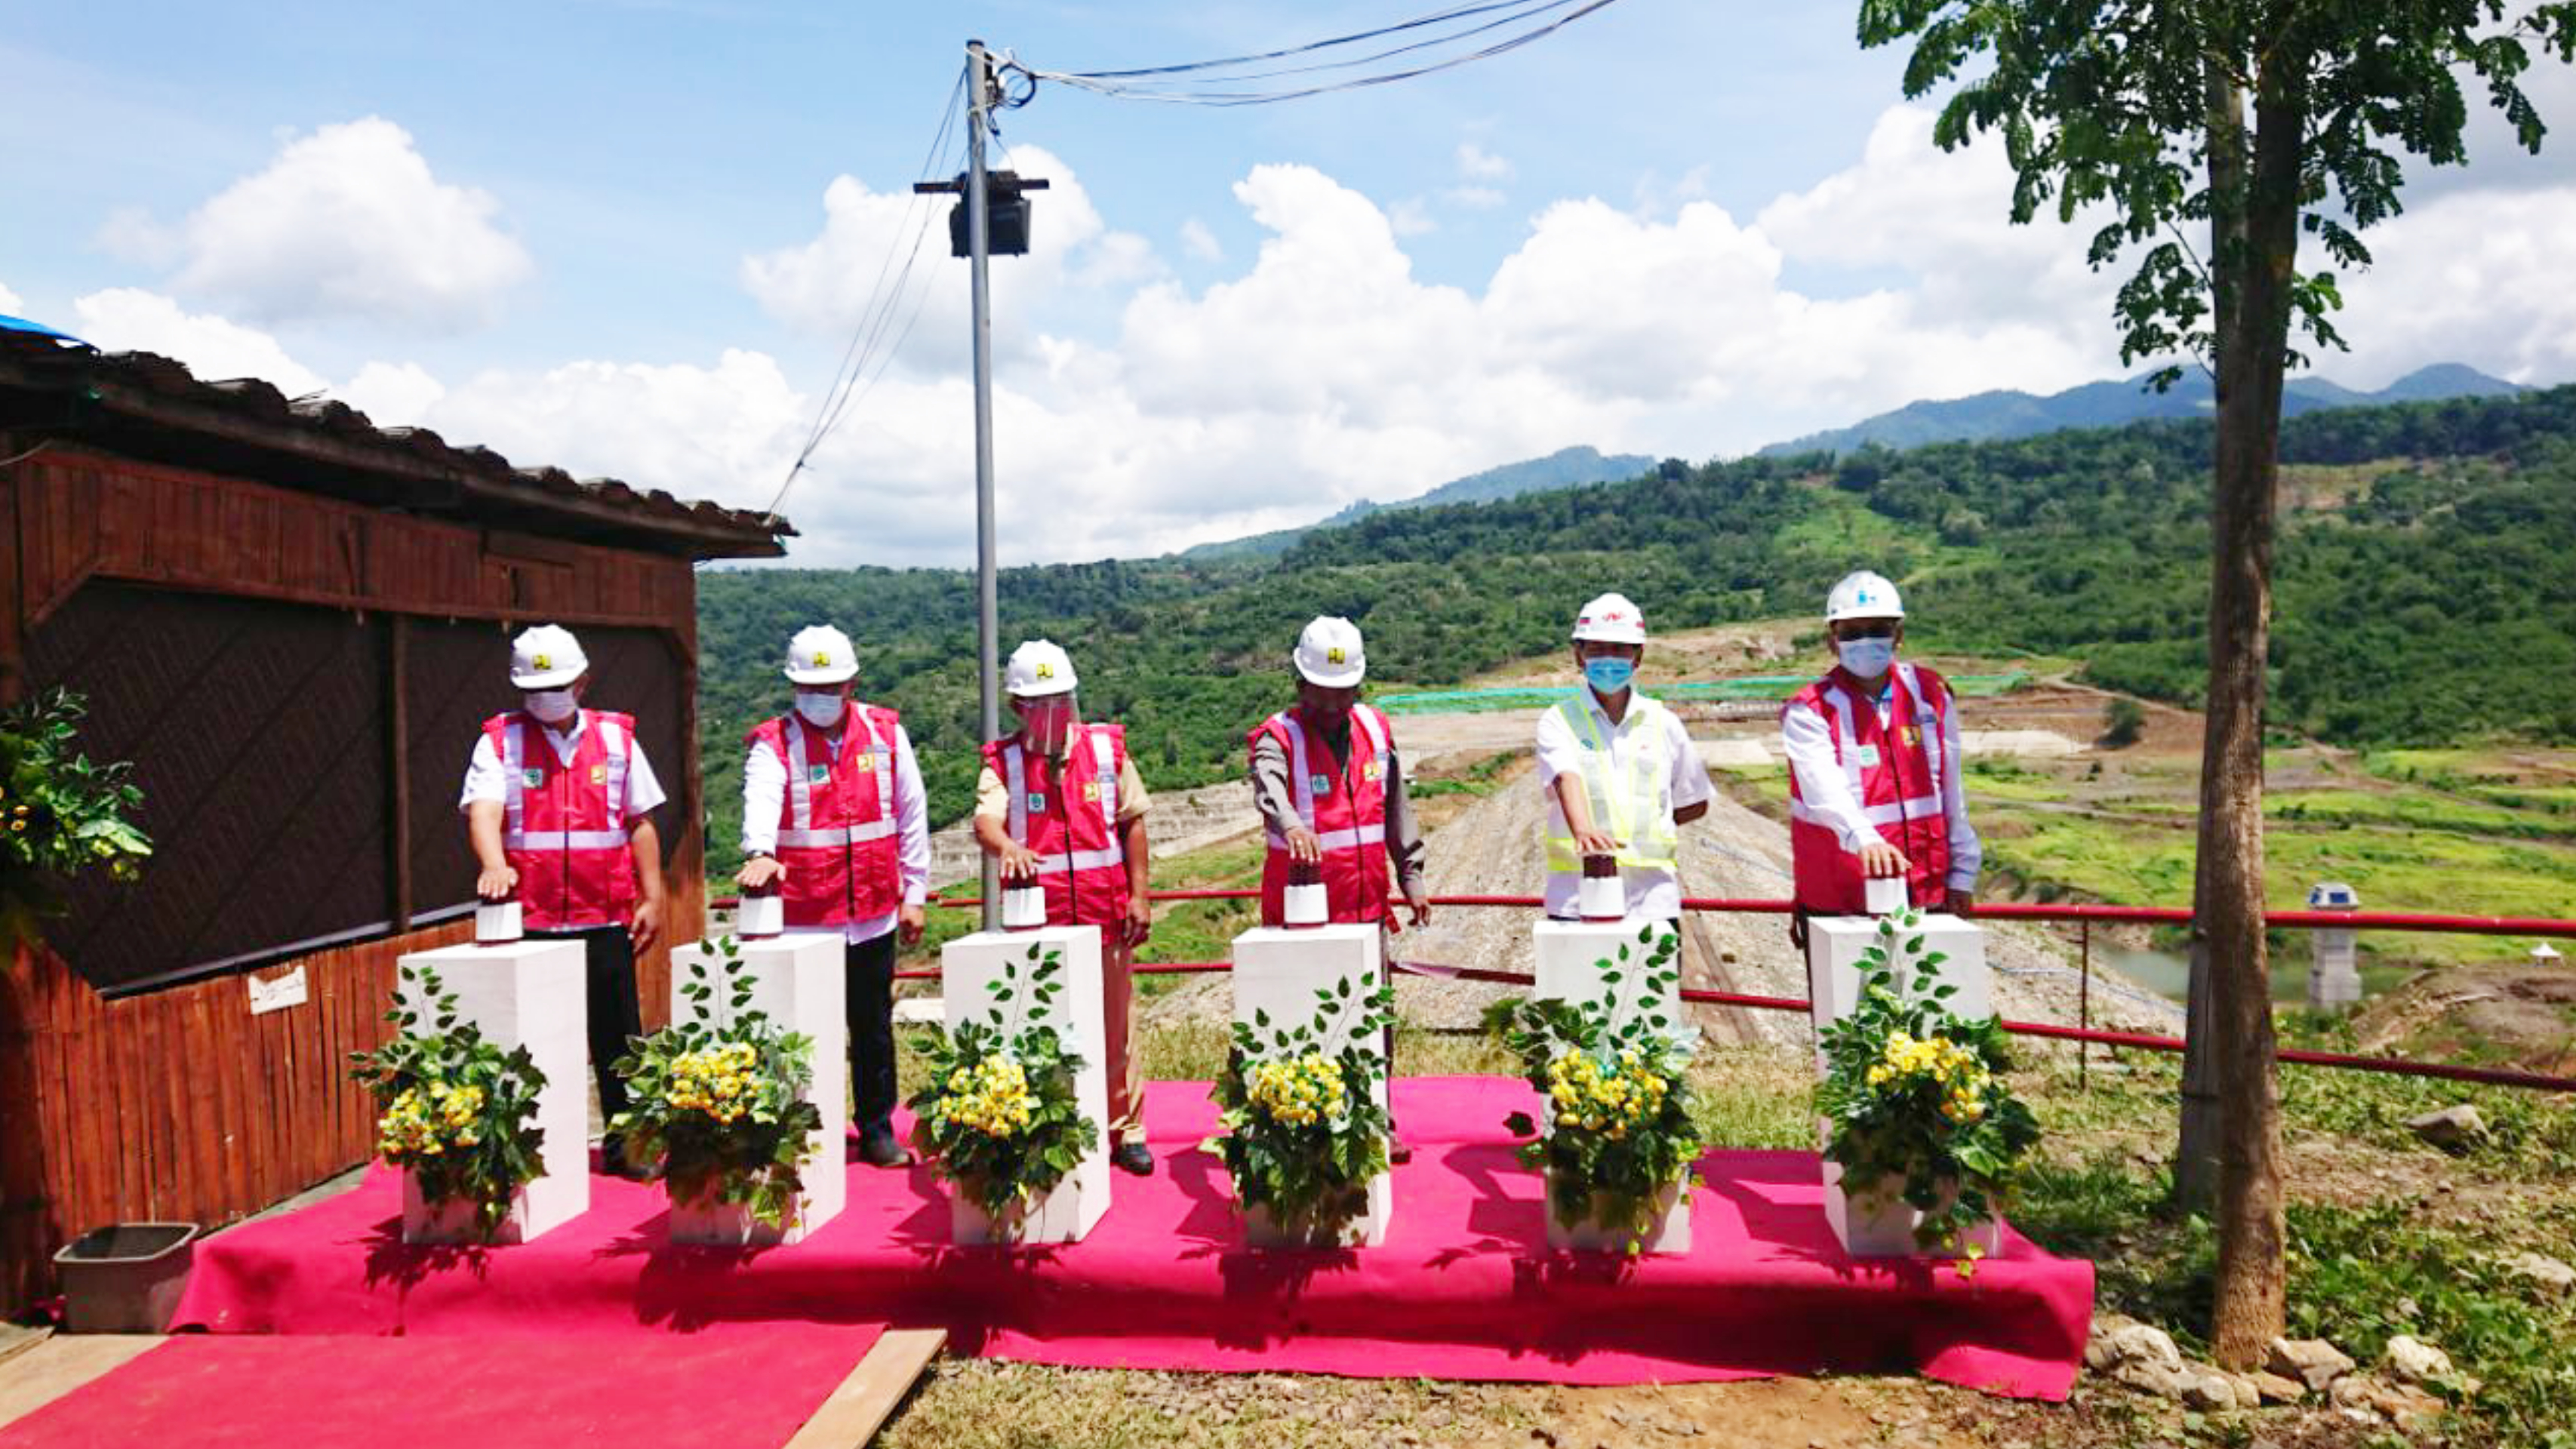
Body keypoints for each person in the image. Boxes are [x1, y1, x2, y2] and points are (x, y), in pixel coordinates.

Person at [460, 623, 668, 1180]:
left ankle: (626, 1146)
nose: (544, 699)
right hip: (533, 919)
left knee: (617, 1038)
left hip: (605, 916)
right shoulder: (500, 740)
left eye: (555, 687)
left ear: (582, 683)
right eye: (533, 690)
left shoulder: (618, 738)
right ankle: (537, 1149)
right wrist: (494, 864)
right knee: (533, 1040)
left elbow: (639, 821)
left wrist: (654, 894)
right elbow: (482, 809)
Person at [735, 624, 929, 1168]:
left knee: (871, 1028)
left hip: (870, 914)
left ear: (853, 683)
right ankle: (801, 1130)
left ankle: (876, 1128)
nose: (820, 699)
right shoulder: (774, 743)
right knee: (800, 1029)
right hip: (804, 916)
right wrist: (759, 850)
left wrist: (913, 892)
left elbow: (911, 814)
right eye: (808, 689)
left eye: (831, 688)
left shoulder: (886, 733)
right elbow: (761, 798)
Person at [1246, 616, 1429, 1161]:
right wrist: (1293, 827)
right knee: (1302, 1014)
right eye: (1322, 693)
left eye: (1344, 692)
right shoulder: (1277, 738)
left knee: (1372, 1017)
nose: (1333, 705)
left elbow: (1396, 808)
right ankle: (1301, 1124)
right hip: (1303, 905)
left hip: (1366, 902)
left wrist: (1411, 875)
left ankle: (1378, 1115)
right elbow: (1268, 790)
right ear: (1300, 684)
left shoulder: (1374, 729)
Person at [973, 640, 1156, 1176]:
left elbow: (1133, 822)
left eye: (1061, 700)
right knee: (1044, 1027)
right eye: (1040, 703)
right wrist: (1007, 848)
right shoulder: (1002, 762)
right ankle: (1056, 1128)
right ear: (1017, 708)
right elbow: (986, 820)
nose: (1053, 714)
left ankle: (1127, 1131)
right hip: (1040, 920)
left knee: (1115, 1026)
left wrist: (1139, 894)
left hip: (1106, 913)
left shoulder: (1105, 751)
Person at [1779, 571, 1982, 927]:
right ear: (1833, 641)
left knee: (1927, 982)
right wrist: (1864, 840)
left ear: (1898, 636)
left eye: (1878, 630)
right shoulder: (1810, 709)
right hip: (1843, 898)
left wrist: (1963, 872)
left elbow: (1952, 791)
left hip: (1925, 889)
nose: (1865, 641)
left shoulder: (1930, 694)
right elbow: (1823, 789)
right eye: (1852, 633)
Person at [1537, 592, 1714, 925]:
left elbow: (1695, 800)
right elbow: (1565, 775)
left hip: (1653, 904)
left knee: (1651, 979)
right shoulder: (1558, 720)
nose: (1608, 659)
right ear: (1579, 655)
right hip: (1576, 903)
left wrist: (1649, 826)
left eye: (1619, 649)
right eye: (1597, 649)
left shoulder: (1665, 724)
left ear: (1638, 656)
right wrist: (1584, 830)